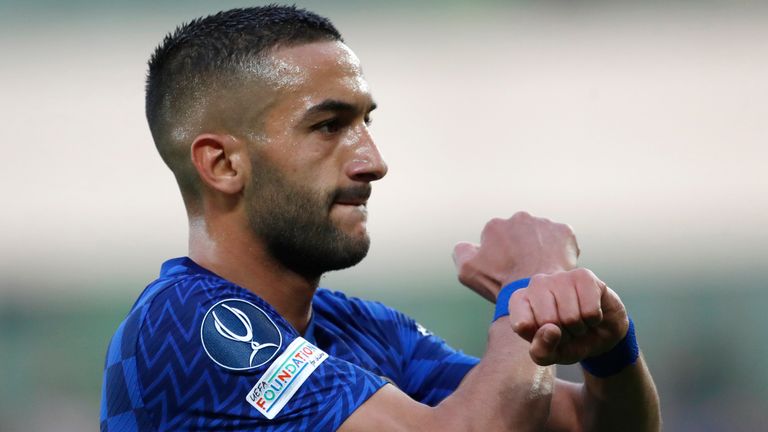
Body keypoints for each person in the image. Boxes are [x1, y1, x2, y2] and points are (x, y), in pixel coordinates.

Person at [100, 5, 660, 431]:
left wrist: (609, 347)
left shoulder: (359, 329)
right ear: (222, 164)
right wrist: (530, 291)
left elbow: (585, 423)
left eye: (366, 122)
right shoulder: (190, 325)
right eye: (328, 126)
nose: (374, 161)